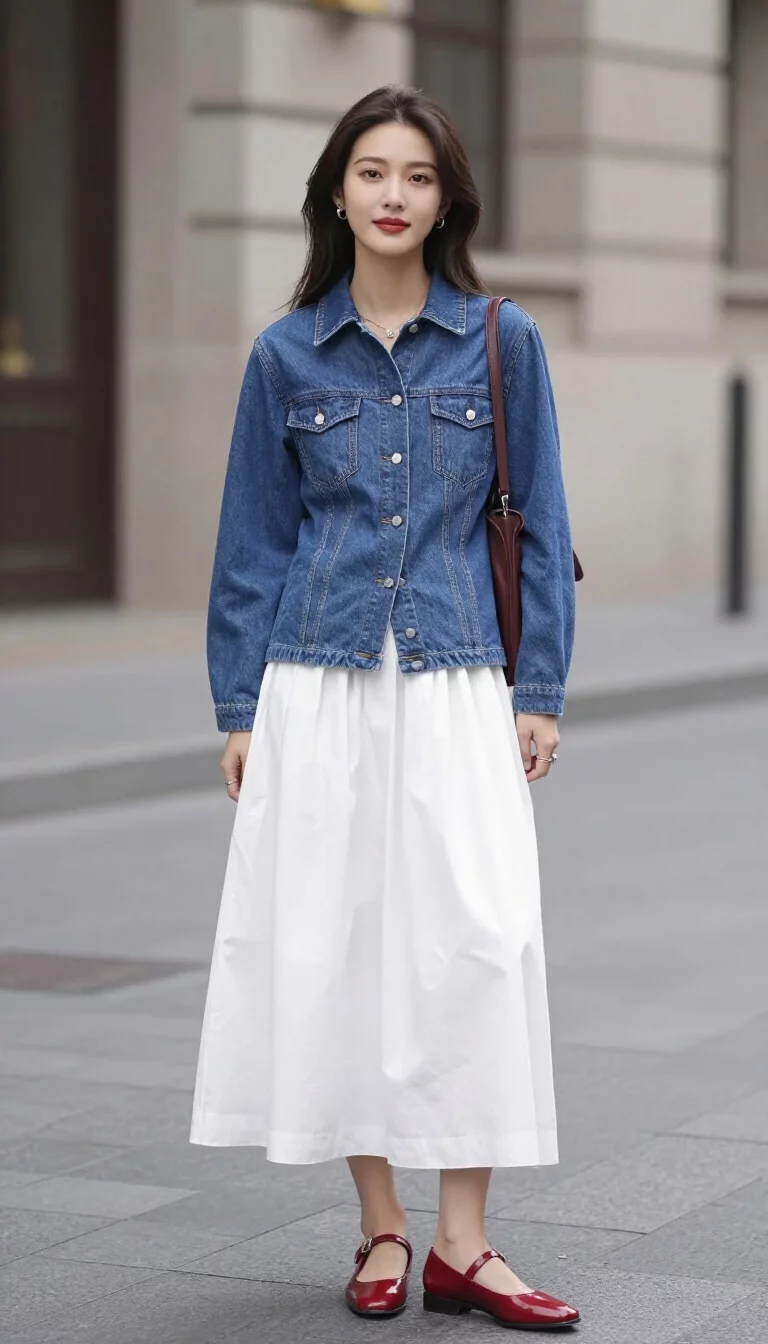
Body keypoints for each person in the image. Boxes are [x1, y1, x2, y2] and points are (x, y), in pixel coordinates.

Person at [189, 84, 580, 1332]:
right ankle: (384, 1227)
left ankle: (466, 1241)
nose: (394, 196)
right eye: (371, 172)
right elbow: (253, 539)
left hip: (461, 679)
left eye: (416, 175)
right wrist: (240, 707)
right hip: (319, 680)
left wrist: (542, 690)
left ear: (445, 197)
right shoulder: (285, 352)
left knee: (477, 937)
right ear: (337, 193)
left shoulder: (500, 342)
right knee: (335, 943)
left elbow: (543, 527)